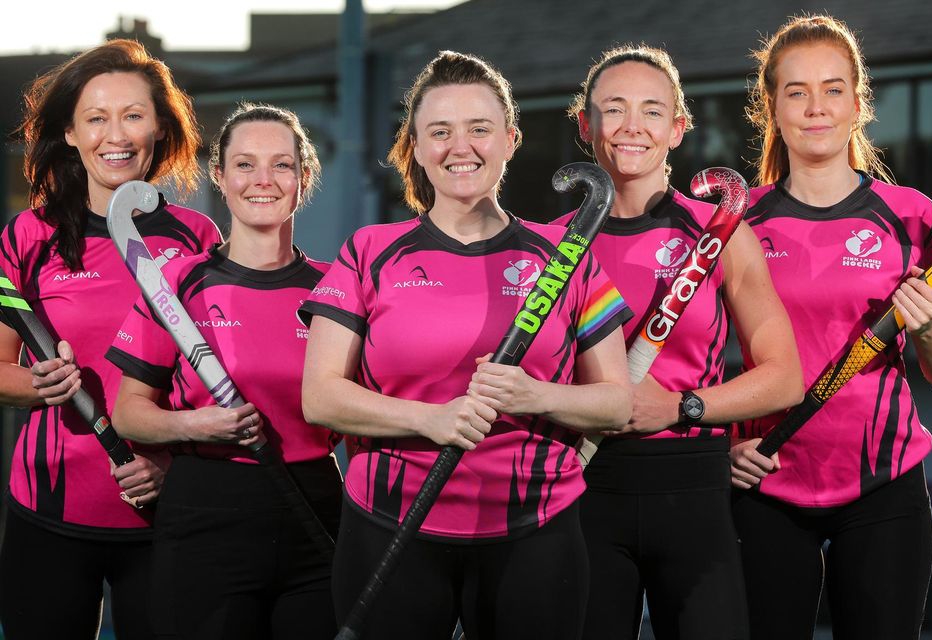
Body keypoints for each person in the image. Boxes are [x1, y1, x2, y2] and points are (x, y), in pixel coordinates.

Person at [299, 50, 633, 640]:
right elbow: (321, 398)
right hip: (389, 526)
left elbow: (616, 405)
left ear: (510, 138)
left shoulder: (566, 255)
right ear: (417, 146)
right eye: (440, 131)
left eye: (480, 128)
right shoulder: (370, 251)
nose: (462, 147)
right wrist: (432, 419)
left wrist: (535, 394)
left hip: (537, 529)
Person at [557, 44, 803, 640]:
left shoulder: (721, 232)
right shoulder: (550, 245)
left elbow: (784, 376)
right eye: (613, 109)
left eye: (651, 110)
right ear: (586, 125)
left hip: (694, 492)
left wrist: (679, 406)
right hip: (583, 486)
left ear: (677, 128)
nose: (632, 126)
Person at [730, 14, 932, 640]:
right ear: (770, 108)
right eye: (796, 92)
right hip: (765, 480)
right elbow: (699, 357)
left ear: (857, 103)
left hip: (883, 489)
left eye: (833, 89)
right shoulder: (734, 223)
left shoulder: (913, 216)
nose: (815, 108)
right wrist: (724, 446)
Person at [0, 40, 221, 639]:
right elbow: (0, 368)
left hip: (165, 515)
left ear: (160, 127)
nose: (115, 135)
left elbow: (213, 379)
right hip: (48, 511)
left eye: (133, 115)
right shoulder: (28, 235)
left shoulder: (197, 238)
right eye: (95, 118)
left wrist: (169, 465)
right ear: (69, 133)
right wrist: (36, 382)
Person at [106, 103, 341, 640]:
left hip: (317, 508)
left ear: (304, 178)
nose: (264, 180)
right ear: (220, 175)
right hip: (206, 509)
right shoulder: (176, 280)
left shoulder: (335, 287)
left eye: (282, 165)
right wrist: (198, 425)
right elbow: (129, 413)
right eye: (245, 164)